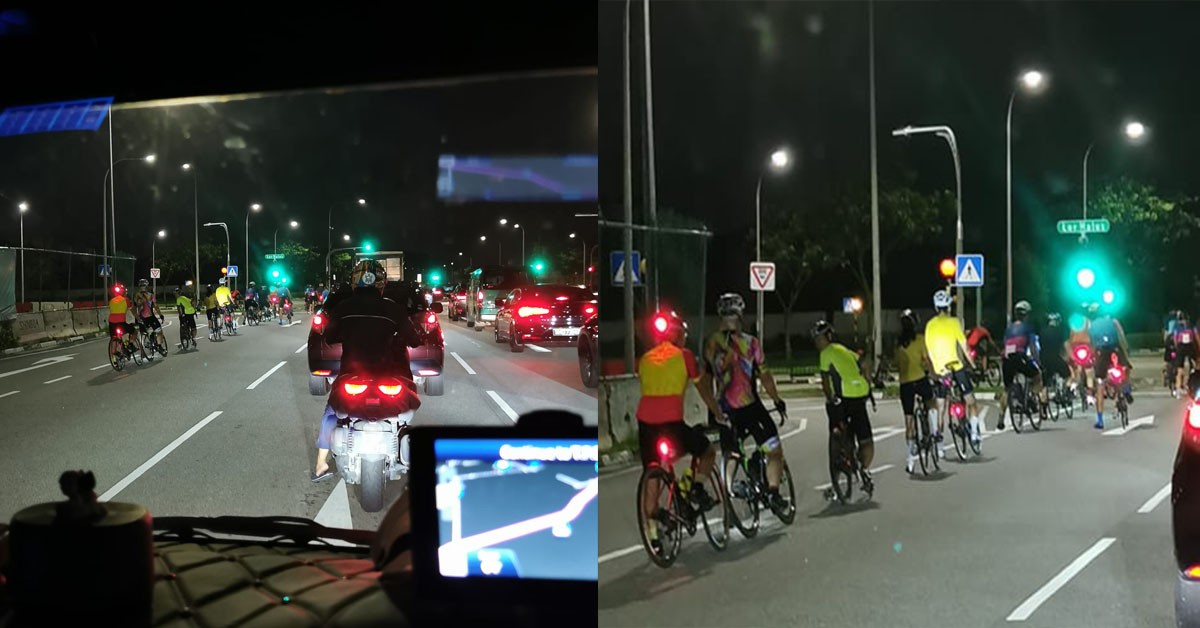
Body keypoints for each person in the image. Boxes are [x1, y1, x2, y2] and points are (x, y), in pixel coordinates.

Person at [312, 260, 424, 482]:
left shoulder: (344, 308)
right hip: (387, 375)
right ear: (381, 284)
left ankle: (321, 464)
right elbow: (414, 340)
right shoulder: (393, 308)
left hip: (351, 374)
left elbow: (329, 337)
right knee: (404, 416)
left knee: (331, 413)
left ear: (355, 282)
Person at [636, 309, 726, 551]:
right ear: (679, 336)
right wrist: (717, 412)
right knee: (706, 452)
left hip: (645, 424)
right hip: (671, 424)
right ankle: (695, 488)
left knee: (652, 473)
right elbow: (703, 389)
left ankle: (653, 533)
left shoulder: (645, 359)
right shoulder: (684, 356)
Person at [700, 292, 788, 511]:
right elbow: (765, 376)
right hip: (750, 407)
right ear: (740, 315)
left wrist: (714, 410)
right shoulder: (751, 343)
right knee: (774, 451)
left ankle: (728, 490)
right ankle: (774, 492)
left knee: (732, 452)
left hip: (725, 410)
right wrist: (777, 400)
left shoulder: (710, 344)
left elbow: (706, 380)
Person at [813, 319, 876, 490]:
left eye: (820, 339)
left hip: (842, 396)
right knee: (866, 441)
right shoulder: (844, 350)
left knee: (836, 425)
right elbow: (864, 363)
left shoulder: (825, 353)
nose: (818, 343)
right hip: (860, 394)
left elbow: (825, 382)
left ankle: (840, 450)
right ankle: (863, 469)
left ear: (827, 337)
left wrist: (829, 397)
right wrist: (868, 381)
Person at [924, 289, 983, 446]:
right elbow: (964, 347)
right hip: (956, 367)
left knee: (941, 406)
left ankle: (939, 441)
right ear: (948, 307)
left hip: (939, 370)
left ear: (936, 308)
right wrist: (973, 365)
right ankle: (975, 434)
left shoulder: (929, 325)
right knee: (971, 401)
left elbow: (928, 351)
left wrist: (933, 370)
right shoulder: (954, 322)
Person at [895, 309, 936, 473]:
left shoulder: (897, 343)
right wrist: (933, 375)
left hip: (905, 384)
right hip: (920, 380)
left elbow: (897, 364)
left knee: (909, 421)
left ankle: (910, 460)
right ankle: (932, 431)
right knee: (930, 402)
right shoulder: (920, 340)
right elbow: (927, 361)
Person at [997, 300, 1044, 430]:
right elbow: (1033, 347)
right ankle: (1032, 398)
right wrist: (1038, 362)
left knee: (1007, 389)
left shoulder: (1009, 328)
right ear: (1027, 315)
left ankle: (1001, 417)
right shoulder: (1028, 328)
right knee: (1037, 375)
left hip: (1006, 358)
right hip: (1019, 357)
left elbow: (1005, 344)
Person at [1090, 302, 1133, 429]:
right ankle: (1126, 389)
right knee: (1126, 368)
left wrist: (1094, 357)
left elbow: (1092, 344)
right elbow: (1122, 337)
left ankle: (1100, 420)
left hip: (1101, 352)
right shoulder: (1113, 321)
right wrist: (1126, 350)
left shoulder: (1091, 326)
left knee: (1100, 384)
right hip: (1115, 350)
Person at [1040, 312, 1072, 401]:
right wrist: (1070, 357)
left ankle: (1043, 407)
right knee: (1068, 375)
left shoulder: (1042, 332)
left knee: (1045, 384)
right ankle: (1066, 392)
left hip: (1044, 360)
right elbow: (1066, 346)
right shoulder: (1059, 332)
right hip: (1055, 358)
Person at [133, 279, 166, 355]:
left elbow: (134, 307)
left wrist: (137, 317)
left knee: (143, 334)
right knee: (159, 331)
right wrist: (160, 315)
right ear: (147, 286)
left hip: (141, 318)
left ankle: (143, 353)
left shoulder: (136, 295)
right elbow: (156, 306)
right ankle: (159, 346)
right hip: (150, 317)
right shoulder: (150, 295)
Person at [1172, 311, 1197, 398]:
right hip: (1185, 347)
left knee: (1186, 368)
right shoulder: (1188, 326)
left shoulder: (1179, 326)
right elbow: (1194, 336)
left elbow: (1175, 338)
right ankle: (1180, 387)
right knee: (1182, 369)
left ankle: (1183, 387)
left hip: (1184, 347)